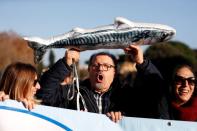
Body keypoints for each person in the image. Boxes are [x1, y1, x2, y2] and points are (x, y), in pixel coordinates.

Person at [36, 43, 169, 122]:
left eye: (106, 66)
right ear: (89, 70)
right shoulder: (73, 93)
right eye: (96, 65)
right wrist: (65, 63)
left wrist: (142, 62)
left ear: (114, 72)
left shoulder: (128, 96)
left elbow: (157, 92)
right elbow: (43, 95)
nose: (100, 68)